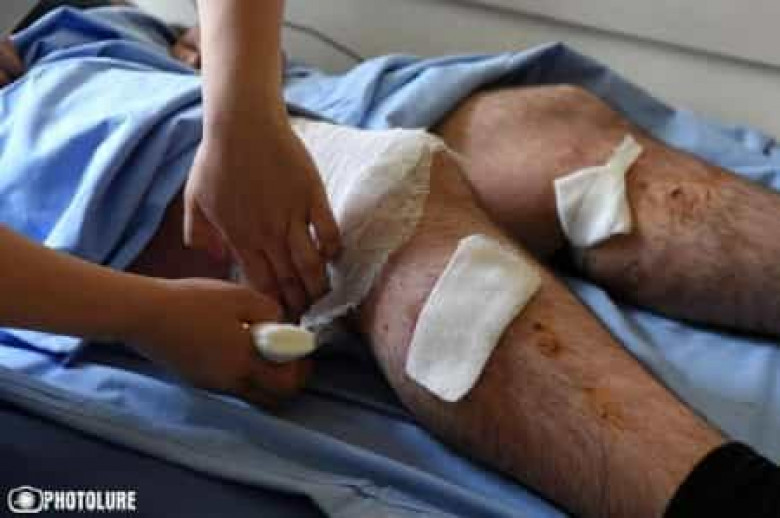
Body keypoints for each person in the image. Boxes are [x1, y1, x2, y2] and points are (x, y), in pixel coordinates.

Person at [2, 4, 780, 518]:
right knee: (379, 200)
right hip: (31, 126)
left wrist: (240, 99)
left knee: (572, 149)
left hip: (110, 48)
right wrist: (146, 314)